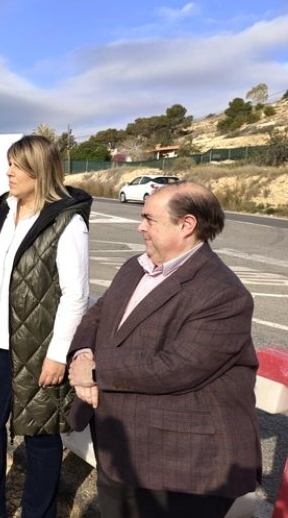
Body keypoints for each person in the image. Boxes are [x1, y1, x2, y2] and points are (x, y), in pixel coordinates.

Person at [68, 181, 262, 518]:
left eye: (149, 219)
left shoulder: (223, 293)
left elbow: (179, 366)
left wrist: (96, 372)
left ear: (186, 225)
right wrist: (83, 353)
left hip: (181, 466)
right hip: (121, 446)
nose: (140, 226)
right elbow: (97, 316)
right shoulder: (136, 266)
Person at [0, 134, 92, 518]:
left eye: (17, 165)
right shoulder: (1, 210)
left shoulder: (67, 223)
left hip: (39, 349)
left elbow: (76, 295)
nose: (9, 172)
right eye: (9, 163)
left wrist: (57, 354)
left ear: (39, 170)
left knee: (40, 436)